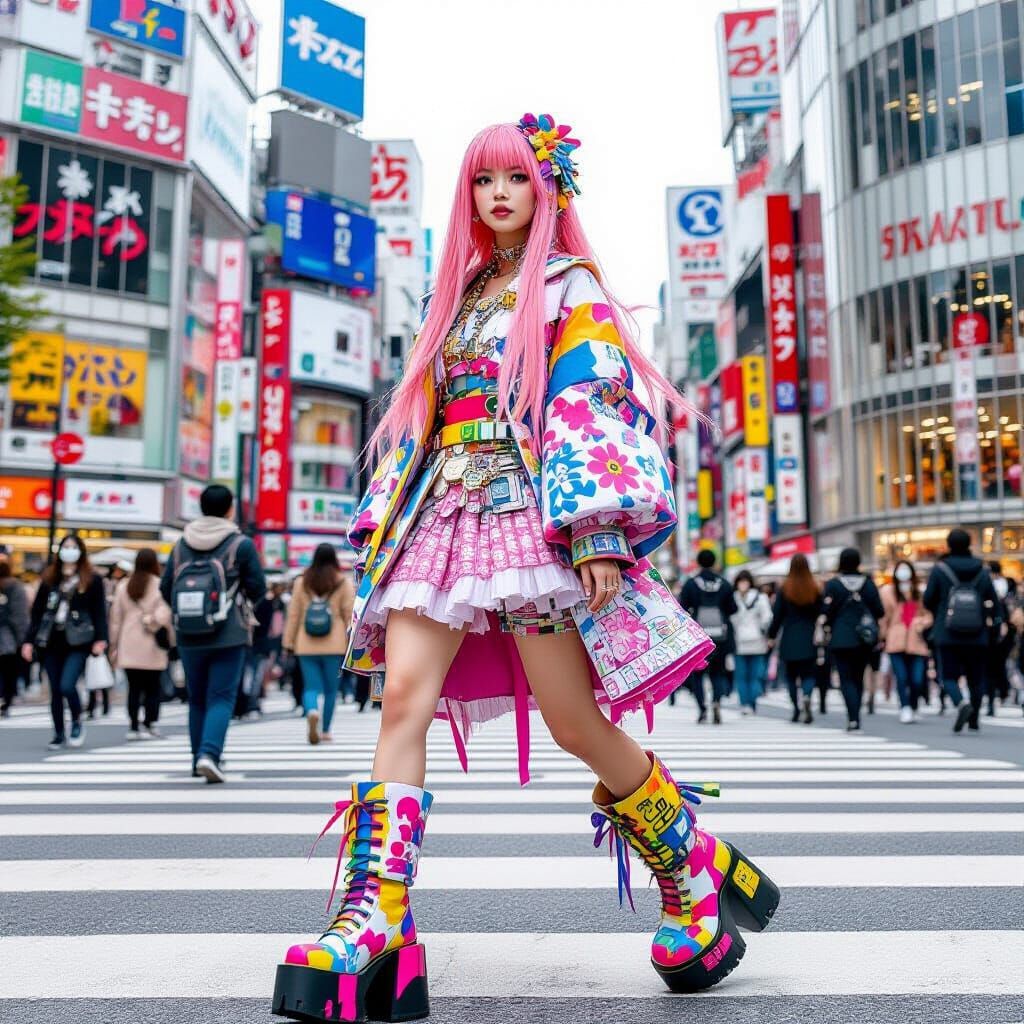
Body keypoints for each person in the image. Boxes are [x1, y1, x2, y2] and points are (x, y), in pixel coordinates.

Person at [273, 116, 779, 1023]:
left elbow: (589, 398)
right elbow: (421, 416)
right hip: (442, 515)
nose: (497, 196)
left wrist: (595, 534)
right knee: (402, 698)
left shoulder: (567, 284)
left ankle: (692, 867)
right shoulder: (461, 293)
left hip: (527, 522)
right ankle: (377, 921)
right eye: (481, 182)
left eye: (513, 179)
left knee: (573, 722)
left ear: (545, 189)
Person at [160, 484, 266, 782]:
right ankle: (210, 753)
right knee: (221, 696)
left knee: (197, 698)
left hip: (188, 633)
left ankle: (198, 758)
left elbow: (166, 587)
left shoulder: (181, 543)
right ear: (229, 508)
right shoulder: (240, 544)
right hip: (228, 631)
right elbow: (258, 587)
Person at [22, 535, 108, 749]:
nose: (69, 551)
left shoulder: (92, 580)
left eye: (73, 547)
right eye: (65, 547)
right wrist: (28, 641)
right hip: (51, 640)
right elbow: (37, 614)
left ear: (81, 551)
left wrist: (101, 639)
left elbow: (99, 612)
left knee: (67, 685)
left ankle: (77, 720)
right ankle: (59, 733)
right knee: (55, 690)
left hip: (79, 641)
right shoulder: (50, 579)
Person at [922, 529, 999, 733]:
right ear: (969, 544)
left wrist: (941, 610)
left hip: (947, 632)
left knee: (947, 676)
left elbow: (928, 599)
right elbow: (993, 601)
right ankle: (974, 719)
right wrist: (995, 624)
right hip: (977, 633)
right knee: (976, 678)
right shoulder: (982, 571)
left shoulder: (940, 570)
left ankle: (960, 703)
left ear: (949, 545)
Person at [283, 544, 355, 744]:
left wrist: (288, 641)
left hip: (306, 643)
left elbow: (294, 614)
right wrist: (352, 641)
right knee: (332, 690)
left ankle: (312, 709)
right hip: (334, 643)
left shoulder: (302, 582)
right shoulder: (343, 582)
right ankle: (325, 730)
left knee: (311, 687)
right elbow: (349, 614)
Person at [108, 547, 172, 739]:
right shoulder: (159, 585)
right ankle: (151, 722)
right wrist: (152, 621)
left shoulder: (124, 586)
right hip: (152, 643)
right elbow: (164, 613)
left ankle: (133, 725)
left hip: (128, 642)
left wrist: (113, 645)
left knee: (133, 687)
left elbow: (115, 619)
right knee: (153, 687)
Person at [822, 548, 884, 732]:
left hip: (841, 637)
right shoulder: (868, 584)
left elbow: (826, 612)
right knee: (858, 677)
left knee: (845, 679)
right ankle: (856, 715)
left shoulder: (833, 585)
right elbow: (879, 611)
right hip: (864, 638)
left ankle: (853, 718)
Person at [679, 549, 738, 723]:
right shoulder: (724, 583)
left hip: (699, 637)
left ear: (699, 562)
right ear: (713, 562)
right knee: (718, 672)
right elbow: (733, 608)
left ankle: (702, 708)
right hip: (721, 636)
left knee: (698, 674)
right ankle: (717, 701)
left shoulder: (691, 584)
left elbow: (682, 607)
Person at [768, 554, 823, 724]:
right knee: (808, 674)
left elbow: (777, 616)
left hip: (790, 636)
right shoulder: (815, 587)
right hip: (809, 636)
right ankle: (806, 695)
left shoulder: (785, 588)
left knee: (791, 676)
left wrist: (771, 635)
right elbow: (821, 612)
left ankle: (796, 709)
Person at [880, 560, 932, 724]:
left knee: (916, 679)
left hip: (916, 639)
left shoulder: (919, 592)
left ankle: (914, 705)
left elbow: (928, 615)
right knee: (901, 677)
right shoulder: (887, 592)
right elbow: (883, 617)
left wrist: (920, 623)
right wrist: (881, 636)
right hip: (895, 639)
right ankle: (905, 707)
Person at [730, 569, 771, 714]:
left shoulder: (733, 597)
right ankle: (749, 702)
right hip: (756, 640)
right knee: (753, 674)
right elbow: (767, 618)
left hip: (741, 640)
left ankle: (747, 703)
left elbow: (731, 619)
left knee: (745, 675)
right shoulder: (761, 597)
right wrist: (762, 629)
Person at [0, 561, 30, 717]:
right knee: (8, 671)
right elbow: (20, 615)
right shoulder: (15, 587)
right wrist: (23, 638)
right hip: (8, 638)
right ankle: (6, 700)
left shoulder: (13, 587)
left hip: (6, 636)